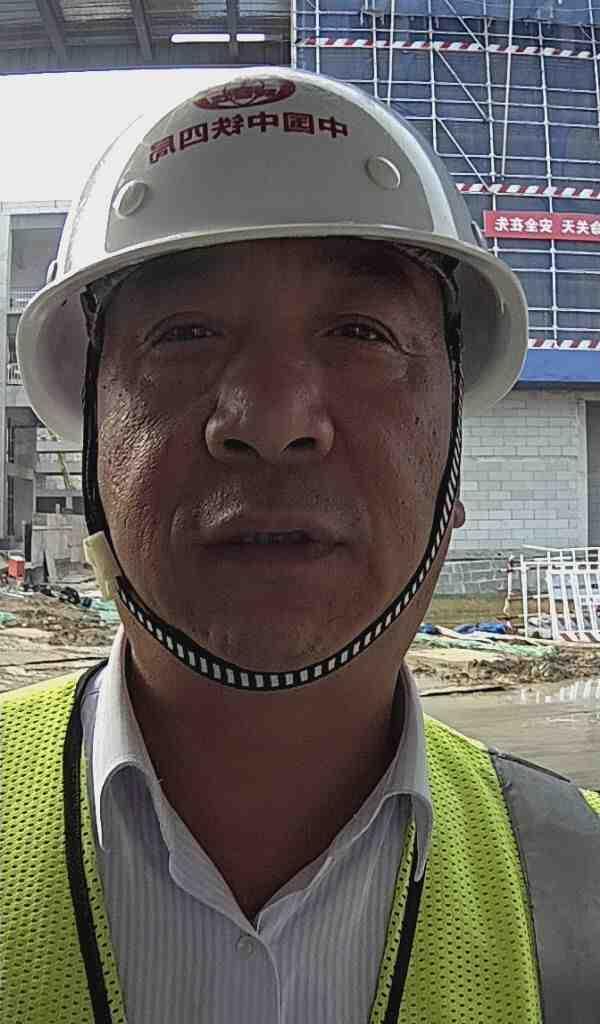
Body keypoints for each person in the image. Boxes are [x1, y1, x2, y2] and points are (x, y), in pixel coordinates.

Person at [2, 67, 599, 1024]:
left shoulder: (581, 879)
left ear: (451, 458)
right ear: (95, 442)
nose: (272, 421)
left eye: (361, 333)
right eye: (183, 334)